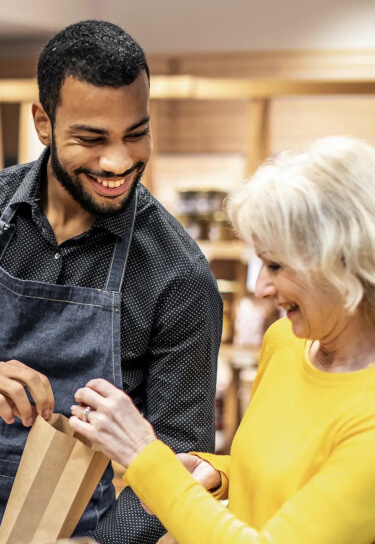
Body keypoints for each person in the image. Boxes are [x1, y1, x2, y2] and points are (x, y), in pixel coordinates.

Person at [71, 136, 375, 544]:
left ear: (343, 262)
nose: (263, 288)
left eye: (276, 265)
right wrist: (219, 474)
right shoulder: (286, 342)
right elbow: (284, 475)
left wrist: (145, 454)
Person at [0, 20, 222, 544]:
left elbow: (180, 457)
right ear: (43, 122)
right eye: (91, 139)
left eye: (136, 133)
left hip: (76, 531)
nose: (118, 162)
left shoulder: (178, 274)